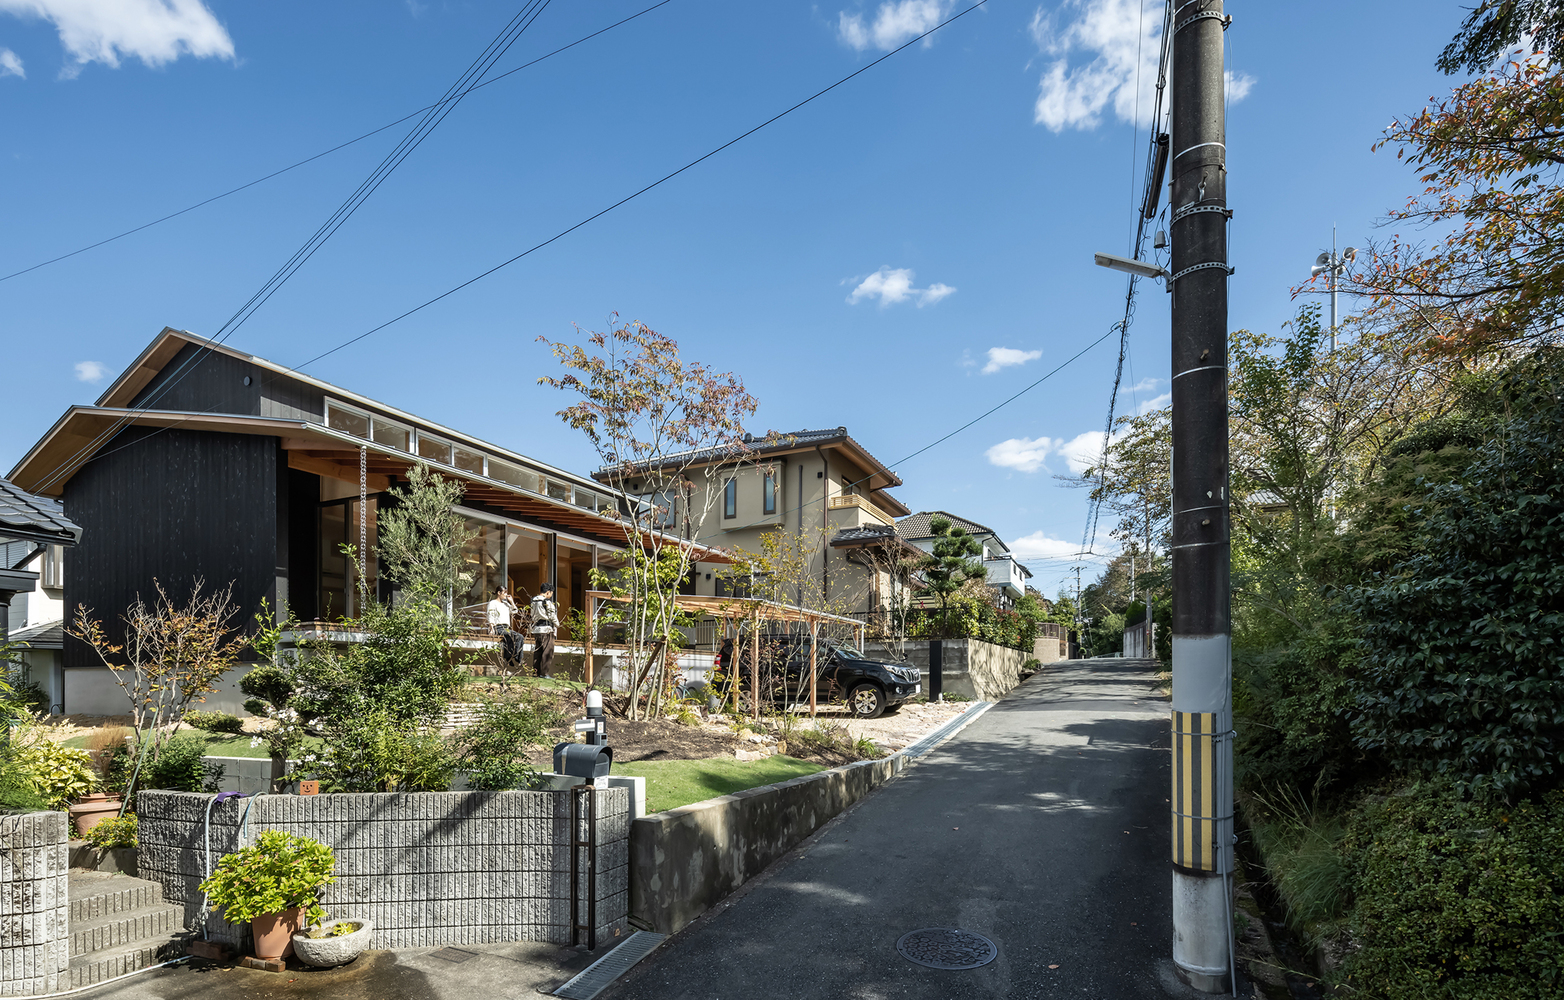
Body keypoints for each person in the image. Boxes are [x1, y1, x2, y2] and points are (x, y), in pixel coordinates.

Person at [487, 589, 521, 670]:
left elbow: (515, 611)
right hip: (498, 627)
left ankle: (514, 657)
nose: (506, 594)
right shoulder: (493, 603)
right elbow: (490, 616)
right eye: (504, 592)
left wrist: (511, 602)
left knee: (520, 637)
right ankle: (512, 658)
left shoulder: (506, 604)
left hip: (506, 628)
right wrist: (492, 629)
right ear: (499, 593)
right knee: (513, 635)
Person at [531, 582, 560, 678]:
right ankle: (544, 673)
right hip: (546, 629)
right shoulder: (546, 602)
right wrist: (557, 624)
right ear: (548, 592)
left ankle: (535, 672)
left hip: (537, 629)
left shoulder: (533, 601)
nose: (551, 595)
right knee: (547, 651)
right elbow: (552, 616)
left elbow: (532, 616)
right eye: (551, 593)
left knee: (538, 651)